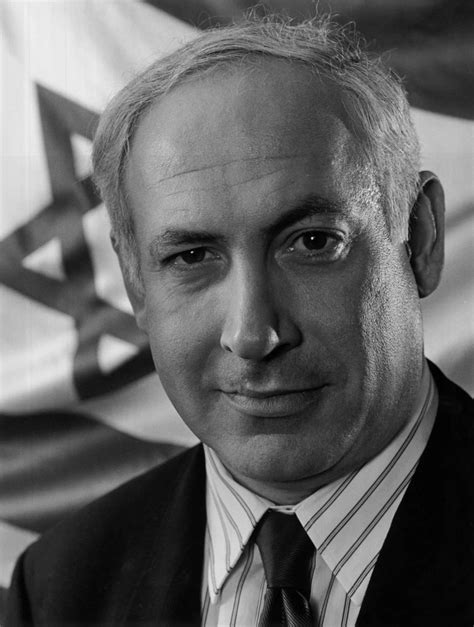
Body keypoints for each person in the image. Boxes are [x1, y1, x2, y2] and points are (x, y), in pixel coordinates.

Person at [6, 14, 473, 627]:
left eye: (311, 242)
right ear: (135, 281)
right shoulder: (59, 588)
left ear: (419, 237)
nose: (253, 335)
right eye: (192, 257)